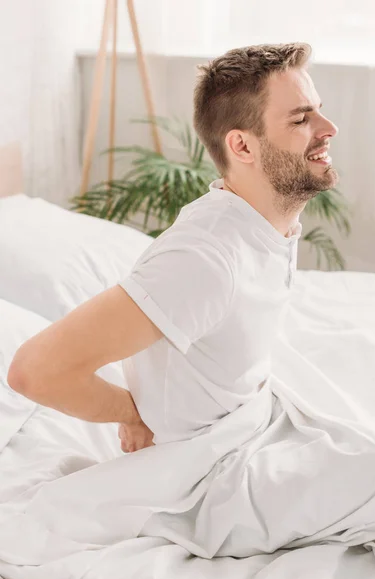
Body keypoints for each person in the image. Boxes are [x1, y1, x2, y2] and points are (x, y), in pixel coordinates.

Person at [7, 42, 339, 453]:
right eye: (301, 119)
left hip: (250, 423)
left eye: (318, 110)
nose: (329, 127)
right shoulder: (203, 258)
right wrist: (134, 413)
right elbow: (35, 371)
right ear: (242, 147)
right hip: (209, 465)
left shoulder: (263, 223)